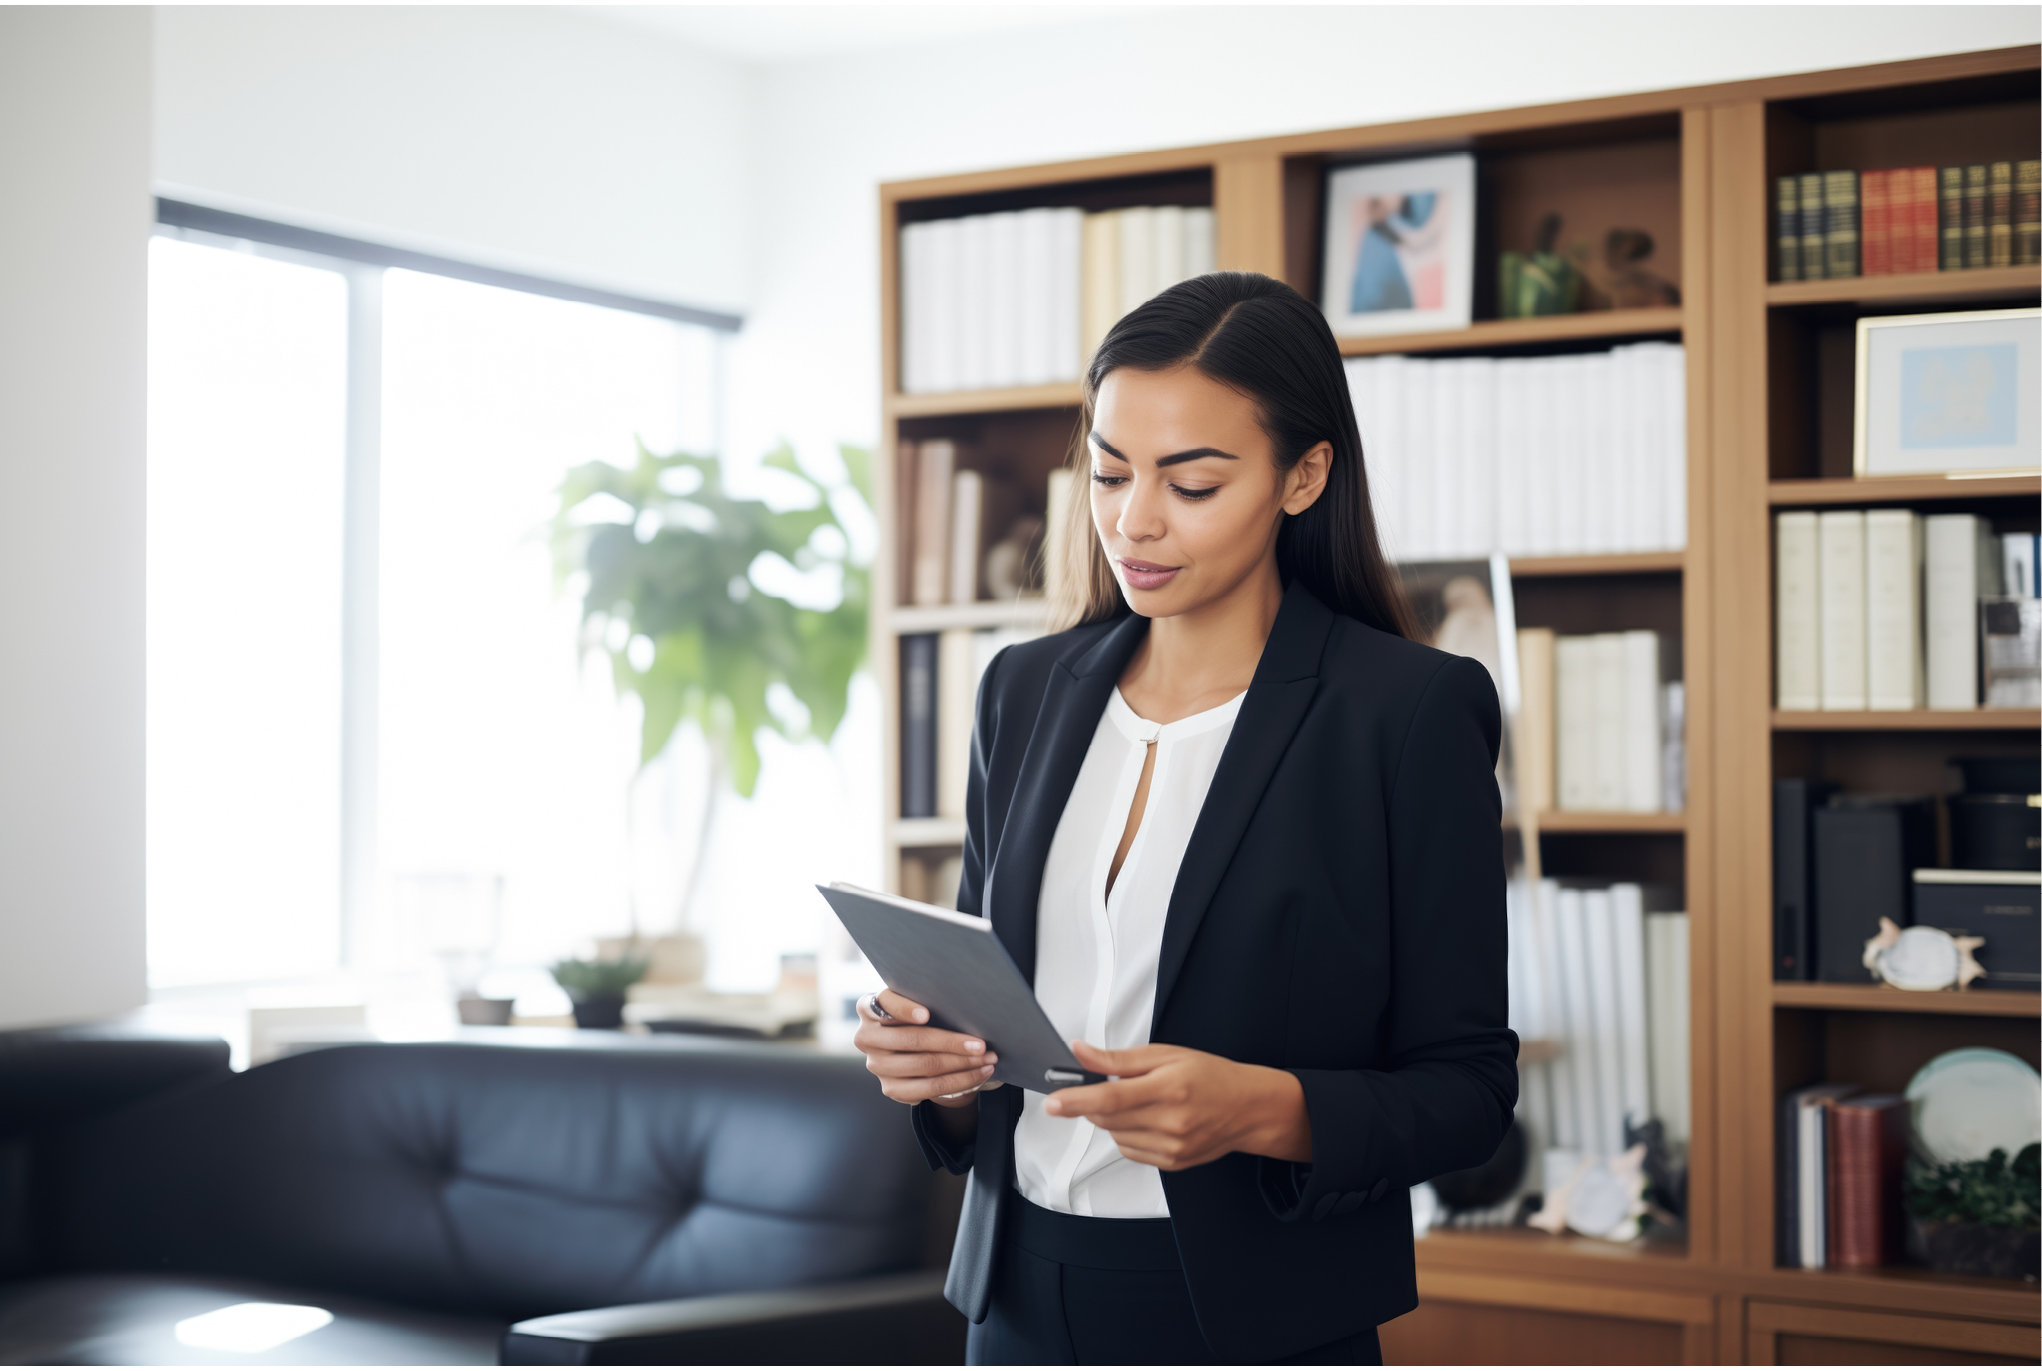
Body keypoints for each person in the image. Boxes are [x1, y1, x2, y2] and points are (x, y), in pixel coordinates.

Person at [854, 271, 1516, 1365]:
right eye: (1108, 473)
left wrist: (1259, 1111)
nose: (1133, 521)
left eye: (1191, 483)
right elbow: (987, 1008)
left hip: (1247, 1314)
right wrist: (937, 1068)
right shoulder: (1021, 690)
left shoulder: (1404, 713)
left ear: (1302, 477)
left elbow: (1466, 1093)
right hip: (1014, 1302)